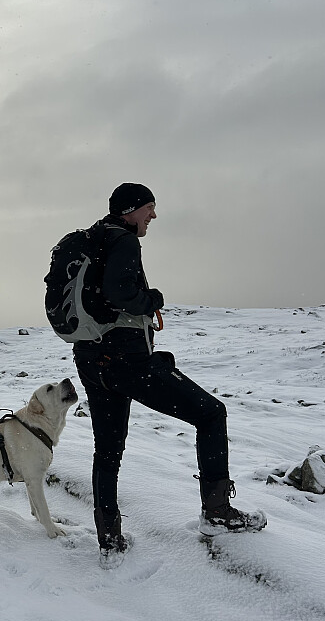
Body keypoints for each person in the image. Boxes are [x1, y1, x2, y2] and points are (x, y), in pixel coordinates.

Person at [68, 182, 266, 568]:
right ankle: (217, 513)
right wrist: (153, 299)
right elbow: (121, 293)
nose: (152, 216)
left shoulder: (89, 240)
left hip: (90, 360)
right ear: (130, 211)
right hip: (126, 362)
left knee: (107, 449)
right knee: (210, 413)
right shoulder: (123, 240)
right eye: (149, 209)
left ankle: (109, 538)